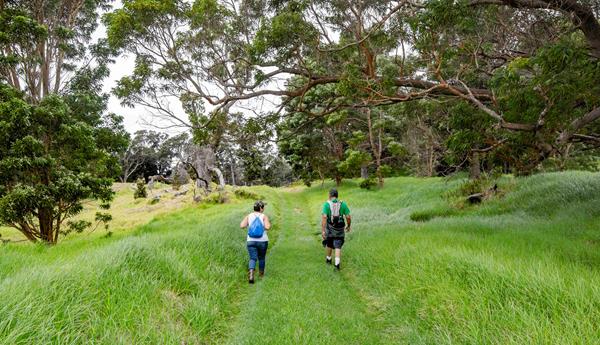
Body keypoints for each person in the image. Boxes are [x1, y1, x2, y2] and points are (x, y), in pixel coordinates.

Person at [240, 200, 271, 284]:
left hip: (251, 241)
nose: (263, 208)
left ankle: (251, 274)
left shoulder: (249, 216)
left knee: (253, 258)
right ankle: (261, 275)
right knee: (261, 258)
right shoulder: (264, 216)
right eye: (263, 207)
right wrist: (262, 226)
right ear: (261, 208)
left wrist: (250, 225)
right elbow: (268, 227)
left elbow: (242, 225)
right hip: (262, 241)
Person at [321, 188, 351, 270]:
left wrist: (323, 230)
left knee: (329, 242)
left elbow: (324, 217)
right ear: (337, 196)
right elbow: (348, 217)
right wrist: (348, 225)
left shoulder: (326, 205)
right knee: (338, 244)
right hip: (340, 228)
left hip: (330, 227)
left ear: (330, 195)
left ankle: (328, 259)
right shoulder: (343, 204)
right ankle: (337, 264)